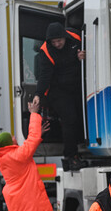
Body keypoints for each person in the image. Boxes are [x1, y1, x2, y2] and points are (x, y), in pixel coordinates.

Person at [33, 22, 86, 171]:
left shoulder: (75, 36)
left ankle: (83, 144)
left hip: (75, 85)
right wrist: (38, 94)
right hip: (57, 90)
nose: (57, 44)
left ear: (65, 36)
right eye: (53, 42)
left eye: (59, 41)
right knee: (69, 118)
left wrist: (84, 55)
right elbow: (44, 76)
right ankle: (70, 156)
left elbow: (92, 45)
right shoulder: (46, 51)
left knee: (81, 115)